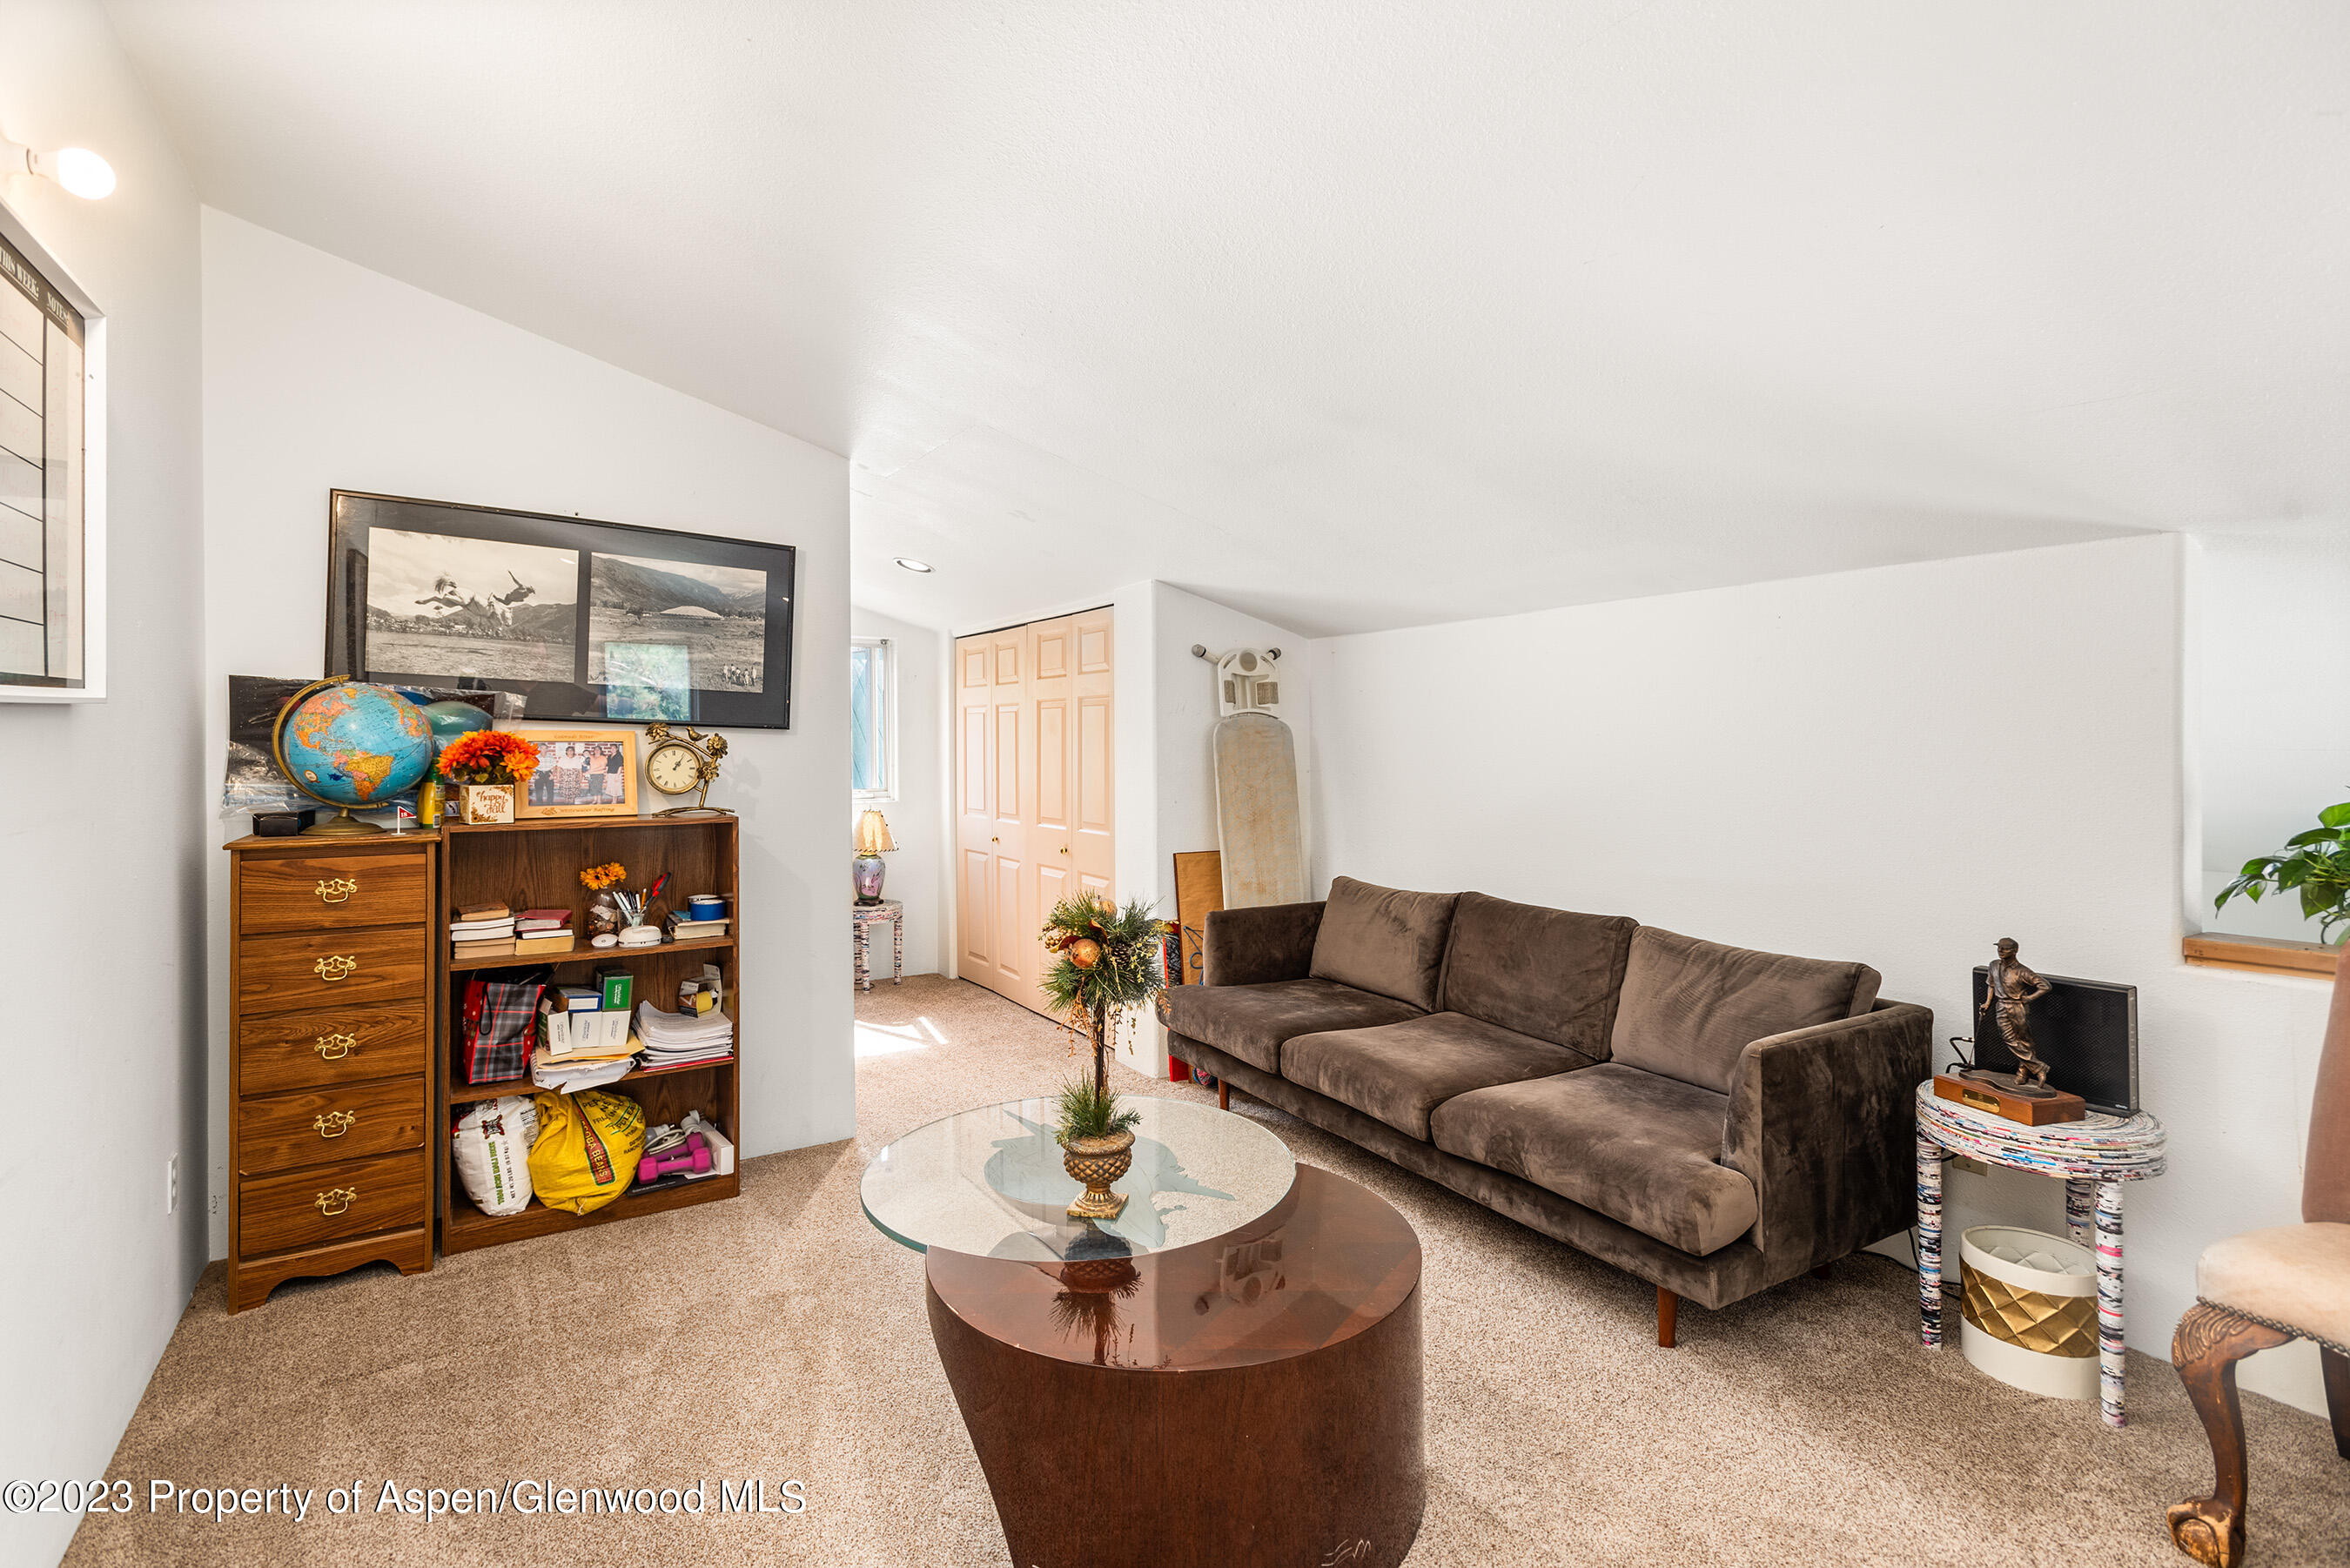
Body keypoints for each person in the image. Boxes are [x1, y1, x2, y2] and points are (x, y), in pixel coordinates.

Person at [1980, 937, 2055, 1091]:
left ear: (2015, 951)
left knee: (2025, 1041)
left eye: (2005, 948)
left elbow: (2045, 986)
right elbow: (1991, 985)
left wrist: (2029, 998)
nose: (2000, 950)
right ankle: (2039, 1067)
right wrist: (1987, 1003)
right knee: (2008, 1038)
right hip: (2001, 1005)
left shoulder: (2022, 971)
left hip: (2017, 1007)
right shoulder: (1993, 965)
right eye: (1999, 947)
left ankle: (2023, 1073)